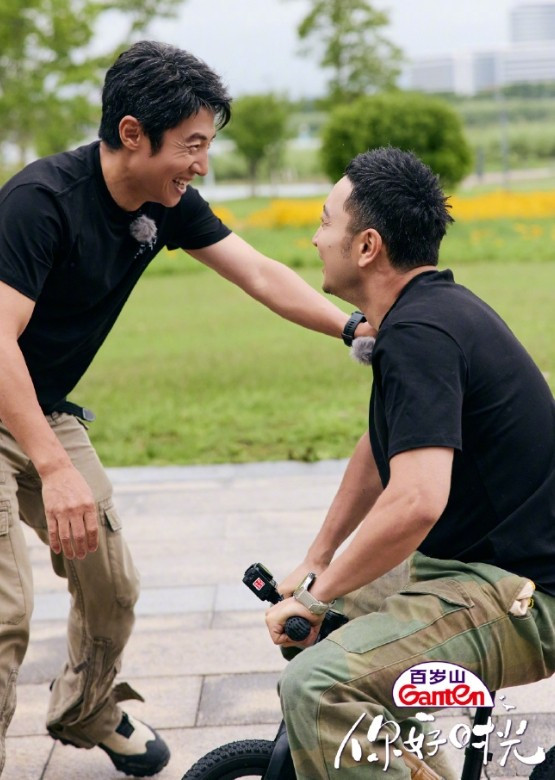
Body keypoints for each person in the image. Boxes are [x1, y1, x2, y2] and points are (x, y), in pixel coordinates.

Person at [0, 41, 373, 777]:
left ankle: (85, 707)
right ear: (132, 133)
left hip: (41, 406)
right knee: (5, 612)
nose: (201, 164)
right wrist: (54, 467)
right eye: (192, 144)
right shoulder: (40, 203)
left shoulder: (163, 204)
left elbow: (258, 273)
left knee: (112, 587)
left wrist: (353, 328)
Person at [265, 147, 555, 779]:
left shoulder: (421, 333)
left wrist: (317, 595)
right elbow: (380, 453)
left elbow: (417, 501)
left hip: (523, 595)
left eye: (325, 222)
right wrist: (319, 560)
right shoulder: (422, 315)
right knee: (328, 626)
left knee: (317, 687)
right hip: (473, 567)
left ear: (367, 246)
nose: (315, 238)